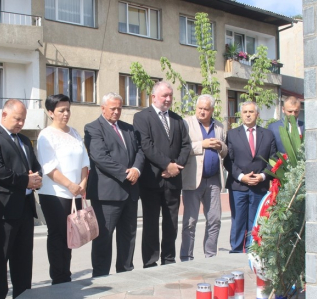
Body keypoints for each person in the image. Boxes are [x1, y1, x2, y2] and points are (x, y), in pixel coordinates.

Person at [0, 99, 42, 299]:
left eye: (23, 119)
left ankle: (23, 295)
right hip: (3, 207)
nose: (20, 123)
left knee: (24, 256)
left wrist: (37, 177)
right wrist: (24, 180)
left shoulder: (25, 140)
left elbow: (34, 166)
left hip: (25, 206)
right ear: (4, 115)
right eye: (17, 118)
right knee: (0, 255)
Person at [84, 92, 145, 277]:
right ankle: (101, 276)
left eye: (120, 108)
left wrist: (136, 169)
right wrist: (125, 174)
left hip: (130, 192)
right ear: (103, 108)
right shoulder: (93, 128)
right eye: (113, 108)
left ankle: (126, 273)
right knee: (104, 237)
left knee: (128, 236)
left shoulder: (129, 128)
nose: (117, 112)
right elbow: (99, 157)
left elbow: (140, 151)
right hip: (107, 195)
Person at [133, 81, 191, 268]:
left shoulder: (177, 119)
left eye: (170, 96)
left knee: (171, 223)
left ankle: (169, 259)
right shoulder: (142, 117)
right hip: (152, 181)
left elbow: (186, 145)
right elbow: (146, 146)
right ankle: (150, 262)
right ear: (153, 97)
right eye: (164, 95)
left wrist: (176, 166)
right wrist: (167, 164)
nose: (167, 99)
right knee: (150, 224)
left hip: (173, 181)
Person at [37, 94, 89, 284]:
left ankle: (65, 274)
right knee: (58, 236)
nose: (66, 113)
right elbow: (49, 167)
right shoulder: (46, 135)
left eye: (68, 109)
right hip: (54, 194)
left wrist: (83, 183)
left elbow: (85, 160)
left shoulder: (74, 132)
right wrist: (70, 185)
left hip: (75, 194)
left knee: (70, 236)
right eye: (61, 110)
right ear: (51, 113)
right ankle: (59, 278)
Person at [224, 101, 276, 253]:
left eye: (251, 112)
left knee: (255, 221)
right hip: (238, 186)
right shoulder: (232, 134)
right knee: (238, 220)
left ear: (257, 114)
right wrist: (241, 177)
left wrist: (262, 176)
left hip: (259, 186)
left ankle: (253, 250)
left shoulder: (267, 135)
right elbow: (228, 161)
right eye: (245, 112)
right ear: (241, 114)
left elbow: (272, 160)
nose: (247, 114)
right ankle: (236, 251)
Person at [180, 95, 228, 260]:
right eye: (199, 108)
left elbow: (225, 150)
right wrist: (203, 145)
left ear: (212, 110)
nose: (202, 111)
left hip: (214, 179)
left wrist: (221, 146)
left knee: (214, 219)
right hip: (193, 179)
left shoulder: (220, 126)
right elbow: (182, 148)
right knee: (190, 221)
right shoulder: (187, 123)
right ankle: (187, 257)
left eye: (206, 109)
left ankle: (210, 255)